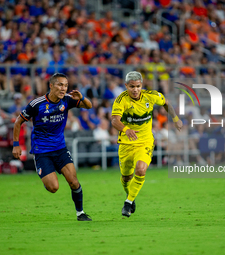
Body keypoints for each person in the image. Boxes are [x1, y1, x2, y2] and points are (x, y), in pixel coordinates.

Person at [12, 73, 93, 221]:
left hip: (60, 148)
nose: (64, 88)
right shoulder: (36, 104)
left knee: (74, 181)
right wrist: (16, 144)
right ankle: (46, 178)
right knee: (53, 188)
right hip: (42, 151)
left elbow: (89, 106)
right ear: (51, 85)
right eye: (60, 85)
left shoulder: (67, 100)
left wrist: (81, 98)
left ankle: (80, 213)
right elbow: (18, 121)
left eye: (66, 85)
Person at [111, 71, 182, 217]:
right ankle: (130, 194)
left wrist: (175, 119)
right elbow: (114, 120)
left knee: (141, 169)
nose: (135, 89)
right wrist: (126, 129)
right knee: (126, 178)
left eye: (138, 86)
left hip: (145, 141)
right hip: (126, 143)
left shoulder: (152, 95)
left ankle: (128, 202)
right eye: (131, 86)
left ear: (141, 85)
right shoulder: (121, 100)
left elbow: (166, 103)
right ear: (126, 86)